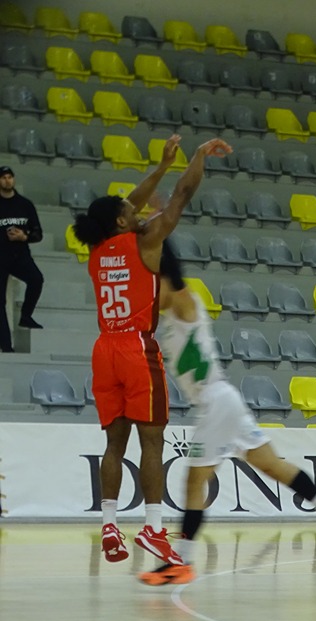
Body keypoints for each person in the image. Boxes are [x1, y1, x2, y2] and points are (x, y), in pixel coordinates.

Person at [143, 247, 316, 585]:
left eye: (157, 284)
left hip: (216, 401)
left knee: (194, 482)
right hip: (225, 402)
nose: (152, 293)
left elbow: (167, 264)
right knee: (271, 465)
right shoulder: (167, 319)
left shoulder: (185, 305)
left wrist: (153, 238)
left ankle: (182, 562)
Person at [72, 135, 228, 568]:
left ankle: (109, 524)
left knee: (114, 444)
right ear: (121, 221)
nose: (137, 210)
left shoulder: (97, 250)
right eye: (129, 211)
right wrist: (197, 157)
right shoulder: (146, 242)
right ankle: (153, 529)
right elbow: (183, 194)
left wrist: (159, 167)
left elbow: (127, 205)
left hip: (104, 347)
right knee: (153, 440)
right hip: (137, 348)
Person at [0, 164, 45, 353]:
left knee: (37, 279)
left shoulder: (25, 204)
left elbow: (38, 233)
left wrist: (23, 236)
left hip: (20, 255)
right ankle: (5, 345)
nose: (7, 180)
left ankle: (26, 316)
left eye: (10, 177)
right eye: (3, 177)